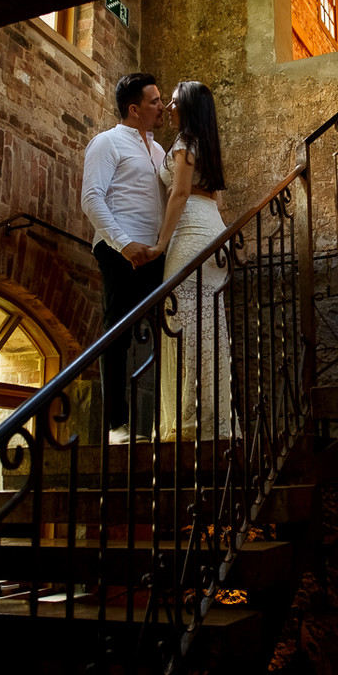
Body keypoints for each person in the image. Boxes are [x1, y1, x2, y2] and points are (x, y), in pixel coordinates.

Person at [80, 73, 166, 445]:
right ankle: (117, 425)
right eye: (154, 101)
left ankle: (169, 421)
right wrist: (123, 244)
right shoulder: (106, 142)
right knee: (118, 332)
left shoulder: (160, 151)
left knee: (168, 334)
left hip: (157, 253)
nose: (161, 106)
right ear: (134, 108)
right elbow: (91, 198)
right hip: (120, 252)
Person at [148, 81, 233, 440]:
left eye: (173, 102)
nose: (169, 108)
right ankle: (211, 418)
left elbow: (180, 193)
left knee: (181, 322)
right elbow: (216, 200)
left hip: (191, 234)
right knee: (206, 324)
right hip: (212, 230)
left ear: (188, 107)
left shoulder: (185, 142)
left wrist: (160, 244)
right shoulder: (206, 144)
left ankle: (188, 420)